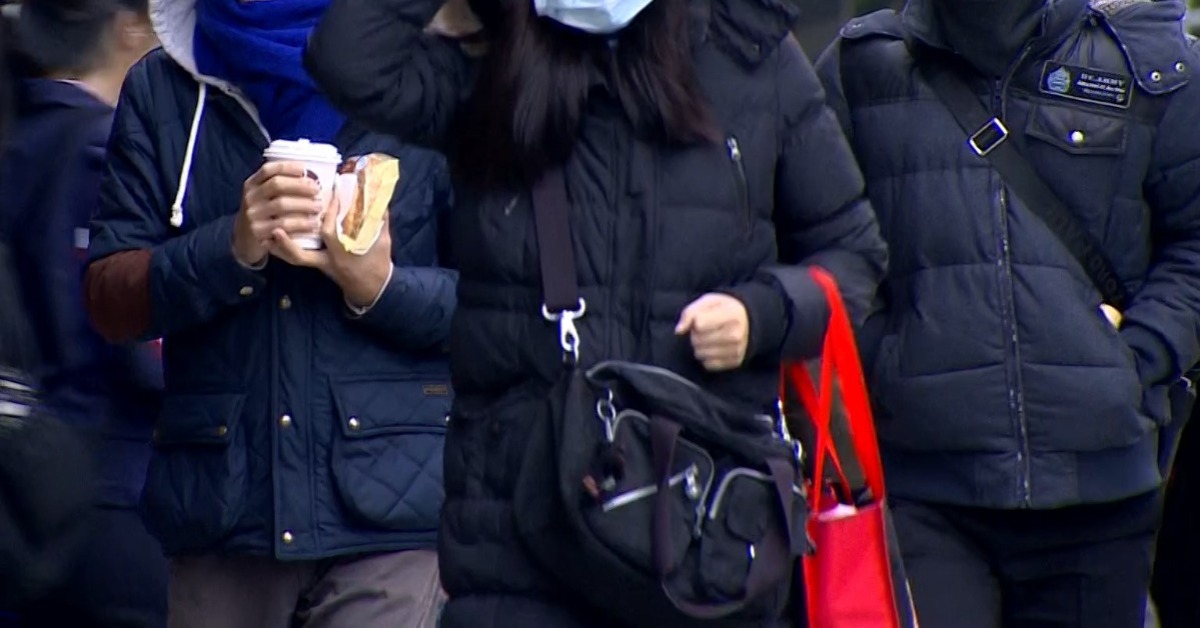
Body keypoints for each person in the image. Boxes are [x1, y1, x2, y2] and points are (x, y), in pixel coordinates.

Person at [305, 0, 888, 625]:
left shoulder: (747, 52)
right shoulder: (495, 58)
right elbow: (347, 59)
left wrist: (761, 316)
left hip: (705, 520)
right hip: (518, 533)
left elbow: (853, 254)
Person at [815, 0, 1200, 626]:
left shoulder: (1148, 64)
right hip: (925, 489)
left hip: (1100, 492)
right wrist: (888, 358)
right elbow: (822, 241)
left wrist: (1142, 355)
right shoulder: (861, 68)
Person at [83, 0, 457, 626]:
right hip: (224, 512)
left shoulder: (425, 75)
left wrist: (380, 286)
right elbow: (108, 301)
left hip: (391, 515)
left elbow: (499, 310)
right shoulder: (162, 84)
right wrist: (229, 248)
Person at [0, 0, 166, 625]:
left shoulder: (16, 137)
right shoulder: (105, 147)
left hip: (19, 488)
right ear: (129, 28)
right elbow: (142, 351)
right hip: (109, 487)